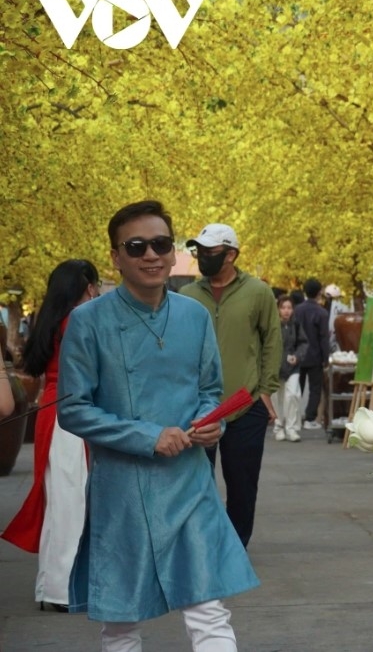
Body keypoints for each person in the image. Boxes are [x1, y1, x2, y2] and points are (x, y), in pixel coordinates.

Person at [56, 200, 258, 651]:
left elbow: (210, 390)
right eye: (136, 246)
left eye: (161, 244)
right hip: (123, 490)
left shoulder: (194, 316)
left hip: (188, 482)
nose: (151, 255)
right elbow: (73, 409)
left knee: (208, 608)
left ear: (172, 252)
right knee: (122, 620)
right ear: (116, 256)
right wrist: (148, 436)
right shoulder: (88, 322)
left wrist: (211, 426)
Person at [3, 260, 100, 612]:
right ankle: (63, 589)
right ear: (86, 286)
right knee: (71, 501)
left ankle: (52, 585)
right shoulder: (79, 320)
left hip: (54, 412)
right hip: (75, 413)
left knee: (58, 500)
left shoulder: (51, 321)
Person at [180, 223, 282, 548]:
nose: (202, 258)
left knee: (242, 484)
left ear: (231, 255)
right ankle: (204, 546)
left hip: (245, 404)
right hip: (198, 409)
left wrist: (265, 389)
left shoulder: (258, 292)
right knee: (197, 483)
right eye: (199, 251)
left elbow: (271, 341)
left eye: (210, 252)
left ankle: (235, 547)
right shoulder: (186, 296)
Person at [293, 278, 330, 431]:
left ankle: (294, 418)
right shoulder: (321, 312)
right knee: (315, 388)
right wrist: (326, 358)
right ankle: (309, 418)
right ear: (319, 292)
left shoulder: (297, 310)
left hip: (298, 355)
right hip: (315, 356)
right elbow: (324, 337)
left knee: (296, 387)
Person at [274, 294, 308, 442]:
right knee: (277, 398)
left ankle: (292, 428)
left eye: (289, 307)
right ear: (278, 309)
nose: (286, 311)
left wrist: (298, 356)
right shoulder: (272, 325)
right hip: (274, 366)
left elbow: (303, 342)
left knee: (293, 394)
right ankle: (279, 426)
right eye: (283, 307)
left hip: (292, 366)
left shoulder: (296, 324)